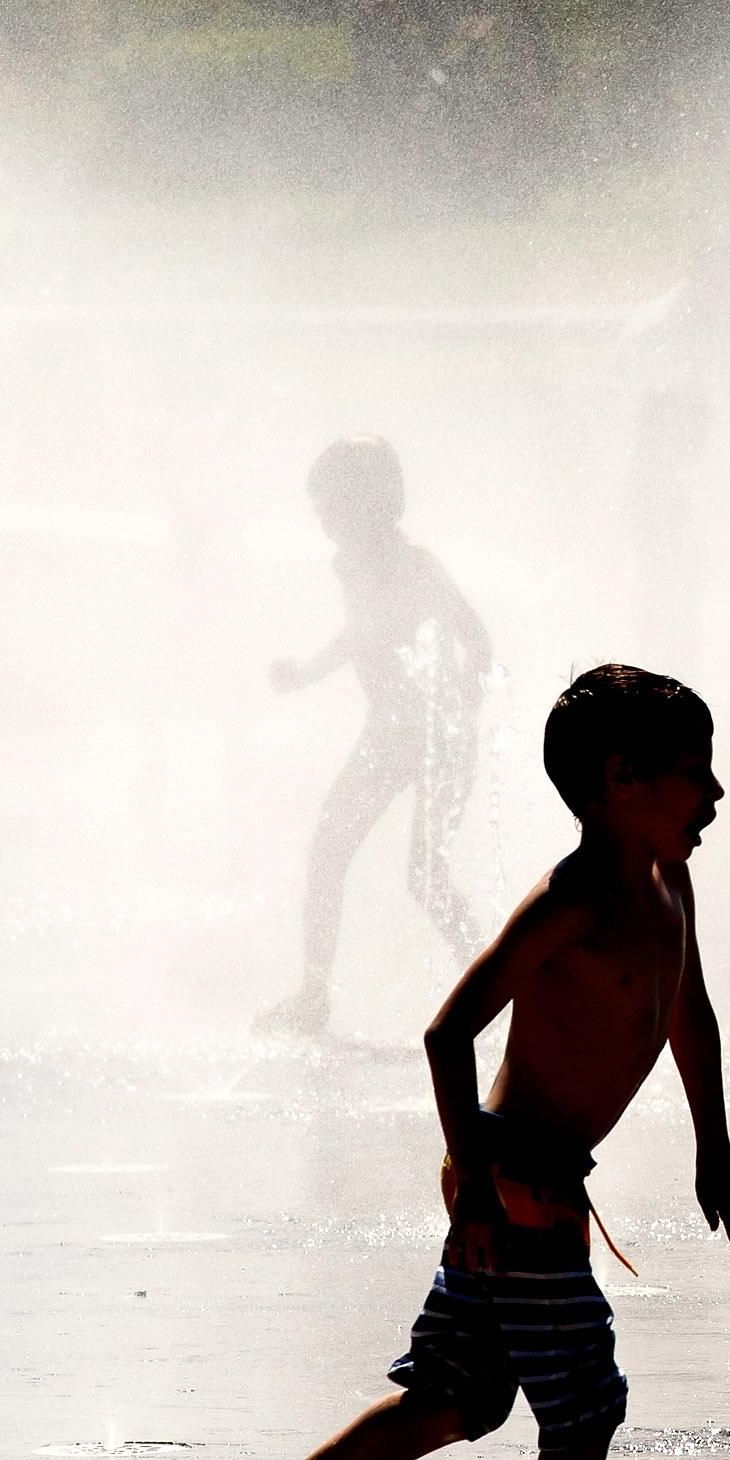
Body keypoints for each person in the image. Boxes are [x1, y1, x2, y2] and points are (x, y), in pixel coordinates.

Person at [201, 666, 730, 1460]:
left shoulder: (665, 881)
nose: (717, 793)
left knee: (460, 1394)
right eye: (696, 774)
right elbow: (447, 1029)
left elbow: (691, 1009)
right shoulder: (575, 899)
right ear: (621, 778)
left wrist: (709, 1146)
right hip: (518, 1184)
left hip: (532, 1180)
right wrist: (472, 1194)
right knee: (581, 1408)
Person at [260, 436, 491, 1036]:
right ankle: (313, 997)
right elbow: (359, 632)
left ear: (372, 501)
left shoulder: (414, 564)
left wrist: (462, 705)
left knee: (426, 879)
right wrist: (306, 673)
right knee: (328, 852)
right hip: (387, 734)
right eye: (320, 506)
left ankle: (511, 986)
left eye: (331, 503)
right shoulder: (351, 564)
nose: (323, 517)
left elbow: (474, 635)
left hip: (438, 735)